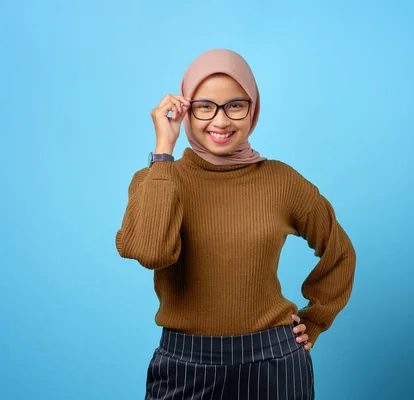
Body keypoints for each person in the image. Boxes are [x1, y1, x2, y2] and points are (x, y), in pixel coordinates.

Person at [115, 48, 356, 400]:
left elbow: (340, 252)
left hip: (273, 364)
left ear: (252, 107)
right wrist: (163, 151)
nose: (221, 120)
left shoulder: (281, 181)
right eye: (205, 106)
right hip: (186, 364)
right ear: (186, 110)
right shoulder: (157, 179)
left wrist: (316, 319)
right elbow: (151, 252)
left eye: (235, 105)